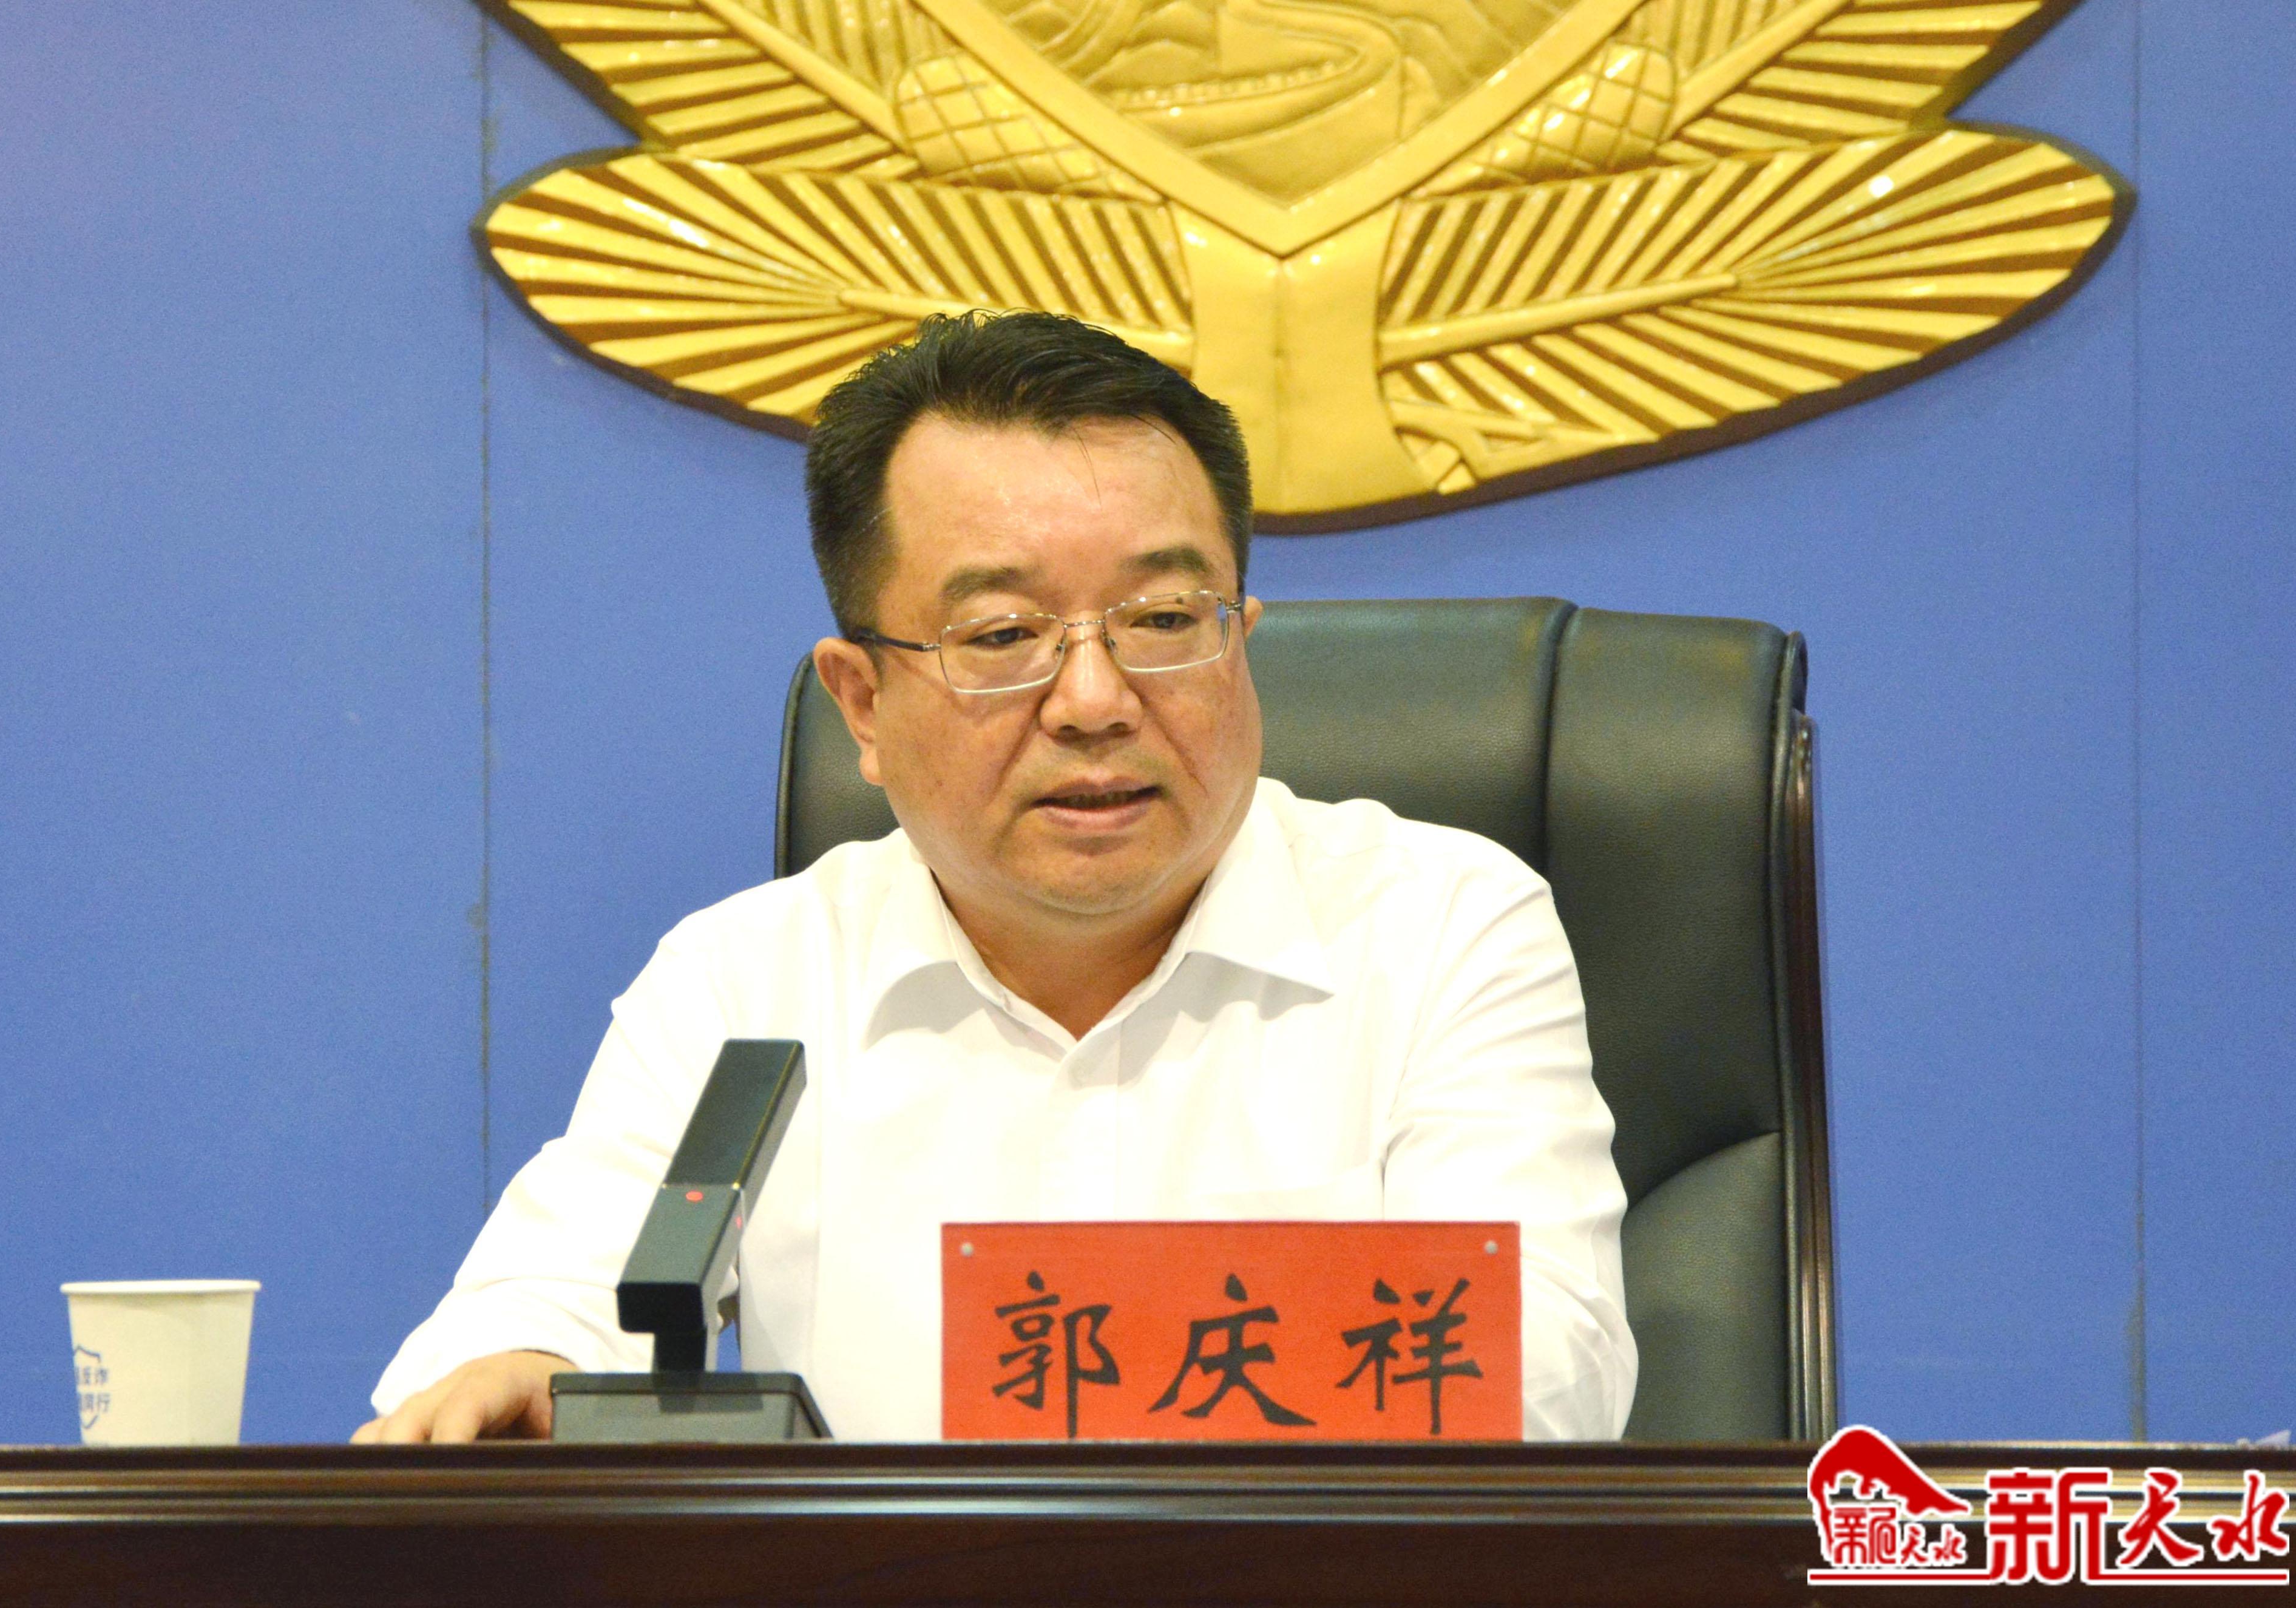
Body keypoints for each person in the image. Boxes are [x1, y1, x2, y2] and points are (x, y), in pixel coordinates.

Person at [357, 311, 1635, 1443]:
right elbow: (547, 1305)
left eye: (1163, 619)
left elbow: (1544, 1376)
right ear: (862, 702)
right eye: (1004, 634)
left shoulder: (1440, 928)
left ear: (1240, 642)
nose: (1094, 699)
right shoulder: (748, 980)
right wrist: (522, 1371)